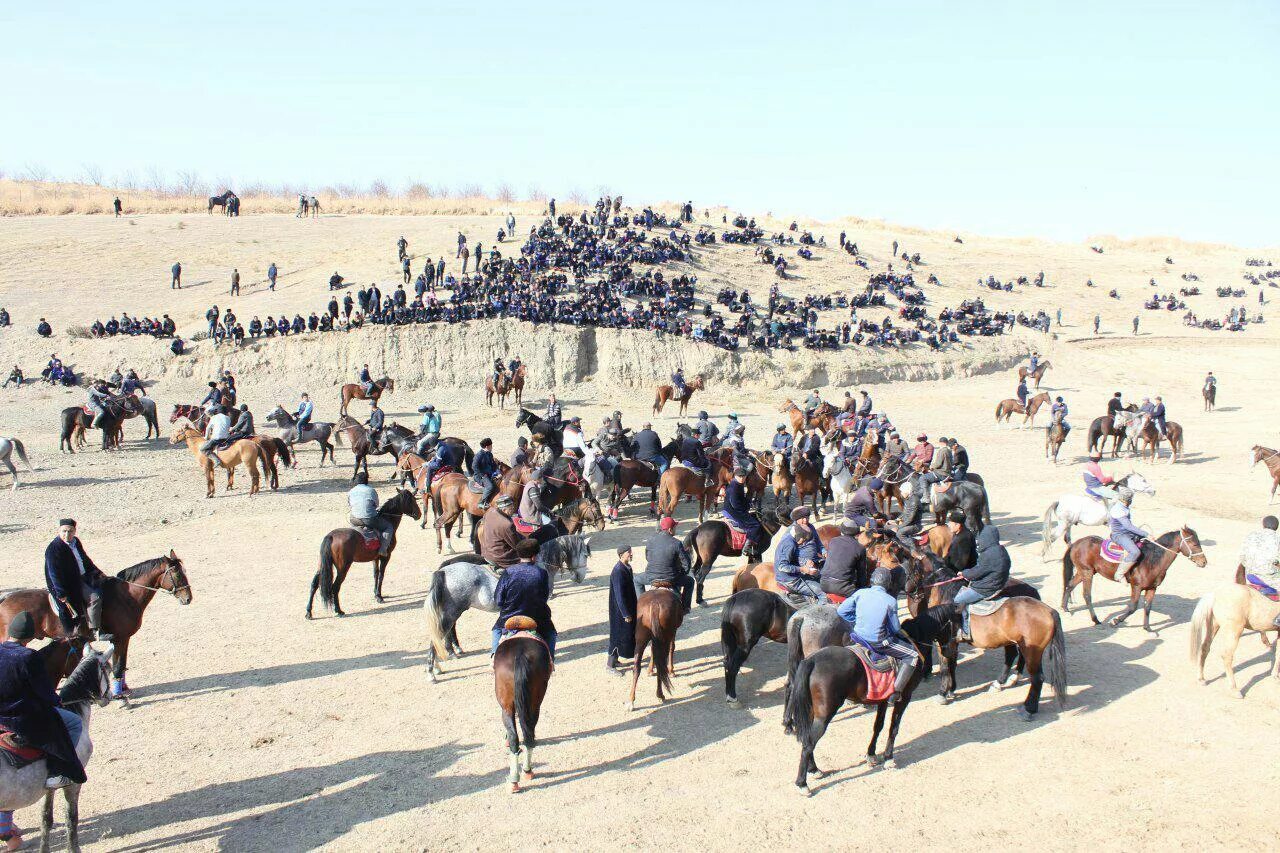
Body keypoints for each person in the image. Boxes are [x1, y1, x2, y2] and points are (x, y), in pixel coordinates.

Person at [0, 611, 87, 791]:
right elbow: (44, 692)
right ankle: (59, 772)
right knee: (74, 723)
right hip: (20, 719)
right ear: (29, 637)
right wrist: (57, 701)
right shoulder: (29, 657)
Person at [835, 567, 919, 705]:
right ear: (888, 583)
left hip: (857, 636)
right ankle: (896, 693)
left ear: (872, 580)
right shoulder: (890, 601)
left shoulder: (860, 593)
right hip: (878, 642)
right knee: (912, 655)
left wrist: (856, 620)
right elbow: (896, 628)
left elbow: (841, 611)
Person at [491, 539, 556, 662]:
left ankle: (494, 657)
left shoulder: (508, 572)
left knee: (496, 630)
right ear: (534, 556)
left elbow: (498, 600)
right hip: (536, 617)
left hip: (509, 617)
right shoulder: (542, 573)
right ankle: (550, 661)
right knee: (551, 633)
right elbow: (544, 597)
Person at [43, 519, 108, 639]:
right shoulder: (54, 549)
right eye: (64, 531)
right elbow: (54, 573)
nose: (67, 534)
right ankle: (95, 631)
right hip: (69, 583)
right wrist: (61, 592)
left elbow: (84, 559)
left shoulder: (76, 542)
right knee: (95, 598)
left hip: (83, 576)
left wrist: (97, 572)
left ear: (75, 532)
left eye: (70, 531)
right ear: (59, 531)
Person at [954, 523, 1010, 641]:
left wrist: (964, 573)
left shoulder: (989, 554)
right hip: (997, 583)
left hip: (985, 588)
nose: (979, 541)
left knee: (958, 600)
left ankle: (965, 631)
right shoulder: (1001, 550)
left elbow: (978, 571)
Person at [636, 517, 694, 612]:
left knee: (637, 580)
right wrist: (681, 574)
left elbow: (647, 557)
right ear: (670, 530)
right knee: (690, 581)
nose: (676, 530)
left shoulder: (650, 540)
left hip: (651, 577)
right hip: (671, 578)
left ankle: (640, 604)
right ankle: (685, 608)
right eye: (675, 528)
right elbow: (686, 564)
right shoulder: (677, 543)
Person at [774, 507, 825, 602]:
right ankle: (818, 614)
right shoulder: (789, 543)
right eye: (804, 540)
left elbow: (817, 543)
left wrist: (806, 561)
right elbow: (782, 566)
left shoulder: (800, 532)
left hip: (803, 568)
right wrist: (803, 568)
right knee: (822, 592)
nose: (803, 543)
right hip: (790, 579)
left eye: (807, 517)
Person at [1239, 517, 1280, 624]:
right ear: (1277, 527)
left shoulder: (1251, 536)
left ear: (1263, 525)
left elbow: (1242, 557)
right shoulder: (1278, 538)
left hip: (1251, 575)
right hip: (1269, 577)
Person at [606, 545, 638, 674]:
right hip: (620, 611)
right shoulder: (618, 571)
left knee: (625, 634)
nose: (631, 554)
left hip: (628, 607)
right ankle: (610, 665)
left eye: (631, 552)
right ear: (621, 555)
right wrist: (625, 613)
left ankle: (615, 659)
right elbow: (619, 595)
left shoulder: (627, 567)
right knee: (617, 636)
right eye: (628, 552)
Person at [821, 520, 868, 603]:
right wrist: (863, 588)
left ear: (841, 531)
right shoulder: (860, 548)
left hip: (824, 583)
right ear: (856, 533)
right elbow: (861, 574)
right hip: (844, 588)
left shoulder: (833, 541)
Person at [348, 471, 392, 556]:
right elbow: (376, 505)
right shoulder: (371, 490)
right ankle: (382, 550)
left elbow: (350, 504)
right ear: (366, 481)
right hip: (368, 519)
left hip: (354, 518)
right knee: (388, 527)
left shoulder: (351, 491)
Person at [1108, 487, 1147, 583]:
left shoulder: (1124, 507)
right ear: (1128, 499)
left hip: (1127, 533)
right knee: (1135, 552)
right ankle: (1119, 574)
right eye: (1131, 499)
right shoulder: (1118, 509)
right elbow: (1128, 526)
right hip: (1119, 535)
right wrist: (1146, 533)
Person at [722, 466, 765, 554]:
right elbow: (735, 504)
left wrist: (748, 502)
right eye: (740, 476)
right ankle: (747, 547)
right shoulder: (734, 487)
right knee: (755, 525)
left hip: (733, 508)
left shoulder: (738, 484)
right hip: (733, 511)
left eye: (743, 476)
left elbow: (741, 499)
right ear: (735, 476)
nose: (742, 478)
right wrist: (746, 507)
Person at [479, 495, 523, 569]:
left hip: (486, 552)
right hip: (499, 557)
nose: (513, 509)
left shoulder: (490, 511)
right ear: (504, 510)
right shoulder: (507, 524)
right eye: (511, 508)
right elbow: (516, 545)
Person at [944, 511, 977, 576]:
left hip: (961, 573)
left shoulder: (965, 537)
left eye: (950, 523)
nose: (949, 525)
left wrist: (950, 572)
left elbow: (962, 562)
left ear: (958, 525)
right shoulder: (957, 534)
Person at [472, 438, 500, 509]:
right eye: (491, 446)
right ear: (487, 446)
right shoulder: (478, 456)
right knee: (490, 486)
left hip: (489, 474)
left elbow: (493, 465)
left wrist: (498, 472)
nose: (492, 447)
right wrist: (482, 475)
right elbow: (474, 467)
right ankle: (481, 502)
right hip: (480, 476)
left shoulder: (490, 454)